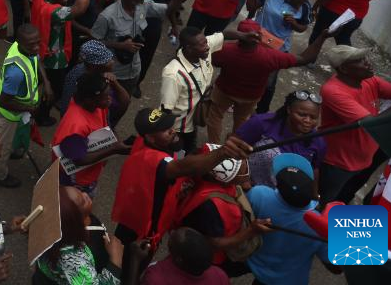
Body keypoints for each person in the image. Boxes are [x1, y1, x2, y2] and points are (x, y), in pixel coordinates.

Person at [110, 107, 252, 247]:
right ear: (151, 138)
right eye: (166, 130)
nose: (173, 130)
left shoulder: (144, 141)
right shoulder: (154, 160)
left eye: (170, 126)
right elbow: (184, 167)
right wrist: (223, 153)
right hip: (143, 228)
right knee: (128, 257)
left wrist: (178, 184)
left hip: (134, 212)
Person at [204, 19, 327, 143]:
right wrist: (322, 37)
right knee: (241, 120)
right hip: (250, 97)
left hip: (224, 91)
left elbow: (210, 56)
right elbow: (305, 58)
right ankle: (233, 146)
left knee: (215, 117)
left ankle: (213, 146)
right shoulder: (270, 56)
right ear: (259, 35)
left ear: (239, 35)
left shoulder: (225, 50)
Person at [92, 0, 186, 124]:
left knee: (124, 104)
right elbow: (93, 42)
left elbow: (167, 9)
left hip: (134, 70)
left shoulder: (144, 5)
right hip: (113, 74)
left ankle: (111, 127)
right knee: (105, 107)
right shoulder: (107, 16)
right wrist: (119, 45)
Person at [318, 44, 391, 203]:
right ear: (344, 69)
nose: (368, 62)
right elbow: (373, 125)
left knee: (344, 197)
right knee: (324, 202)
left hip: (363, 160)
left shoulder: (369, 80)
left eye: (365, 57)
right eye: (359, 60)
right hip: (338, 163)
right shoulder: (334, 91)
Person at [246, 154, 340, 285]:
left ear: (277, 184)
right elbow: (336, 268)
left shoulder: (258, 194)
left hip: (256, 267)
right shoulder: (321, 225)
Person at [52, 71, 131, 195]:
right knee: (75, 208)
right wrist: (113, 149)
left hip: (89, 171)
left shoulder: (95, 105)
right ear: (90, 100)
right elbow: (77, 160)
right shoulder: (75, 125)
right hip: (77, 180)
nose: (110, 97)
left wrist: (114, 83)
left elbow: (124, 102)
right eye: (106, 96)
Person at [27, 185, 124, 285]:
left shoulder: (55, 222)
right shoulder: (72, 258)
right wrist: (115, 261)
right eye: (83, 201)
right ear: (73, 219)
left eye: (81, 191)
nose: (86, 195)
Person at [0, 24, 51, 188]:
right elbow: (6, 101)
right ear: (19, 42)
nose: (36, 47)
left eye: (38, 43)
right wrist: (30, 109)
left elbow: (36, 59)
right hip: (9, 114)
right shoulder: (15, 72)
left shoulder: (26, 49)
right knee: (2, 147)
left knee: (13, 137)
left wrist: (46, 83)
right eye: (32, 44)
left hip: (20, 110)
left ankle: (14, 149)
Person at [237, 90, 327, 189]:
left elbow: (314, 170)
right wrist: (243, 178)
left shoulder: (318, 142)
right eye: (302, 115)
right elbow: (234, 145)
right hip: (246, 187)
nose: (307, 121)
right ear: (289, 109)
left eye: (313, 117)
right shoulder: (261, 123)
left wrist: (314, 197)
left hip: (283, 197)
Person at [139, 227, 229, 285]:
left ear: (179, 260)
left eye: (173, 236)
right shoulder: (220, 276)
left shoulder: (155, 279)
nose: (172, 231)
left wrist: (134, 261)